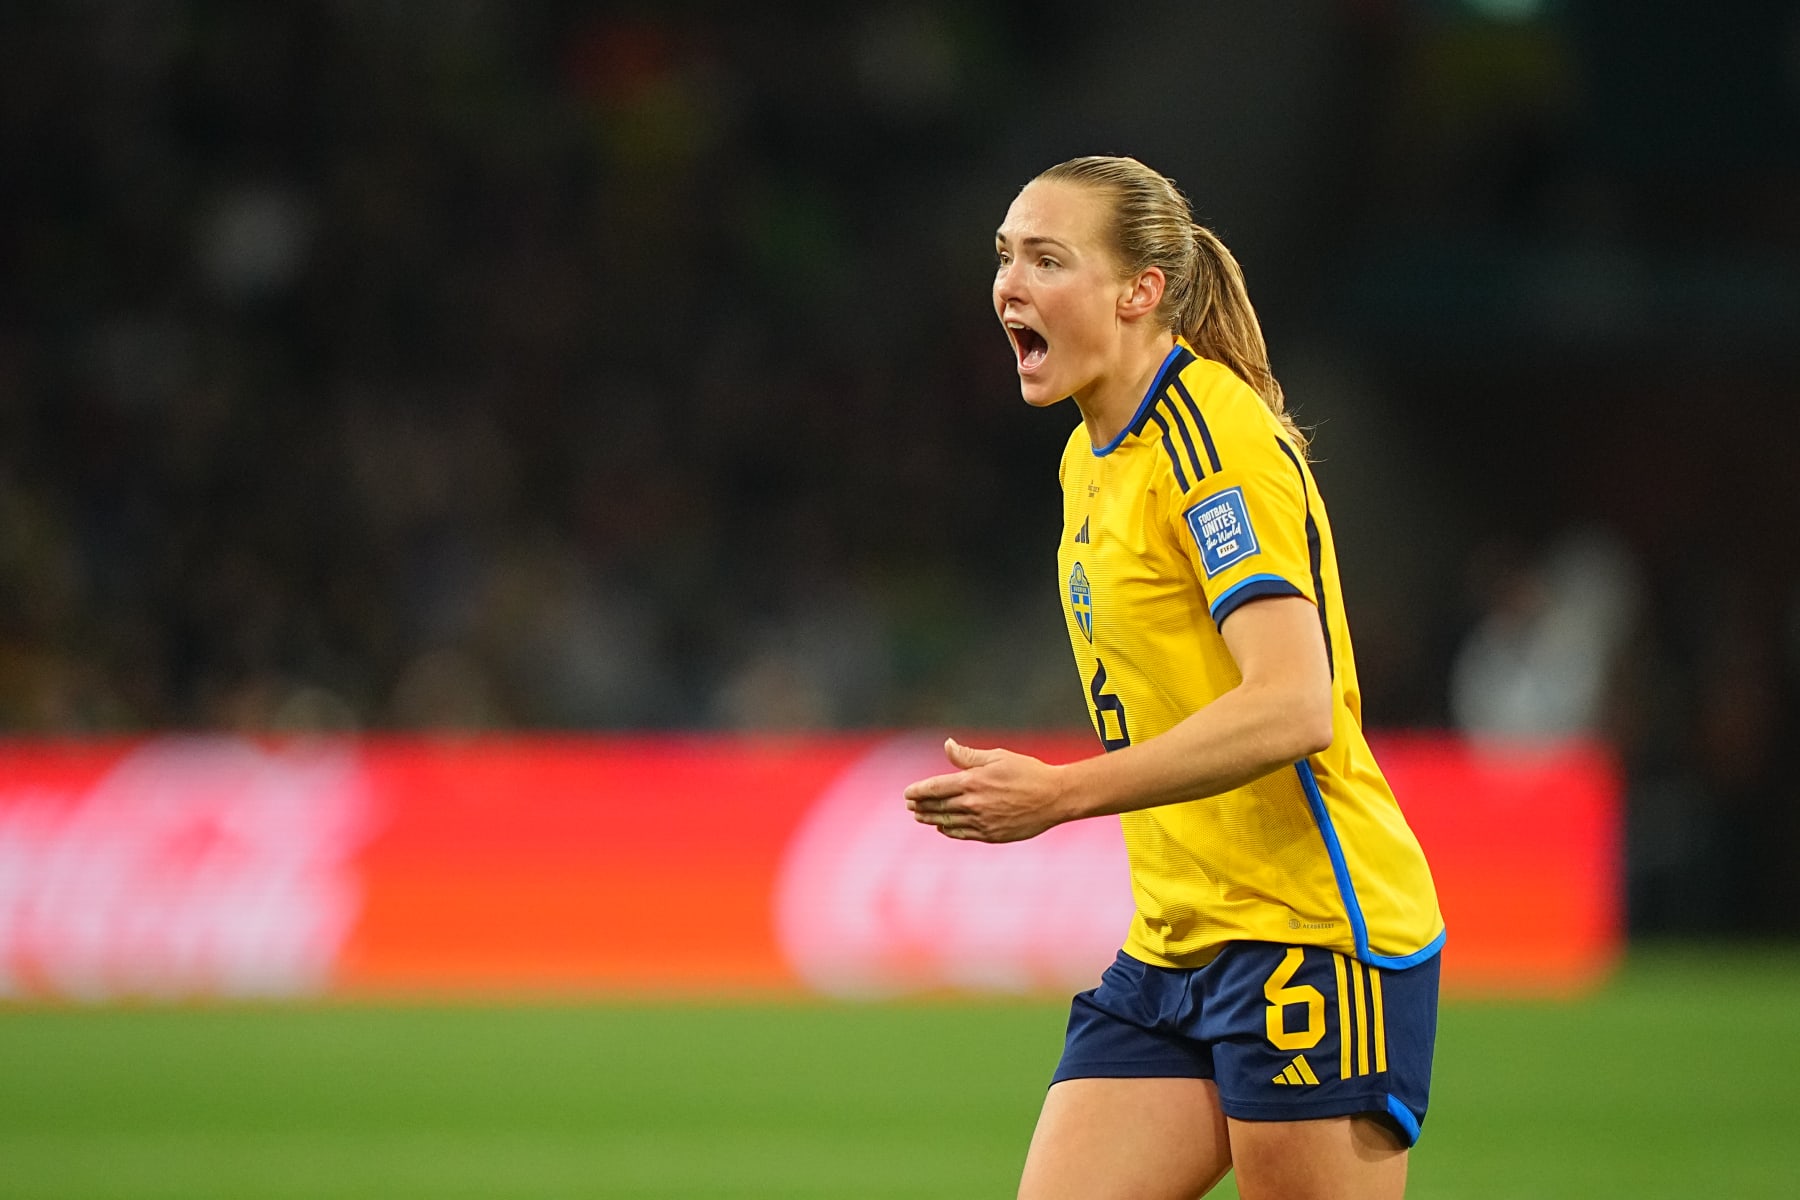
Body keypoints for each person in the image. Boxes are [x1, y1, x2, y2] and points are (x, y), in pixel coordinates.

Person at [903, 156, 1445, 1200]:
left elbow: (1292, 704)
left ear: (1138, 291)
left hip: (1305, 937)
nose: (1009, 285)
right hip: (1174, 943)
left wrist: (1060, 794)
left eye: (1047, 259)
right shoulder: (1086, 456)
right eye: (1005, 256)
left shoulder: (1212, 438)